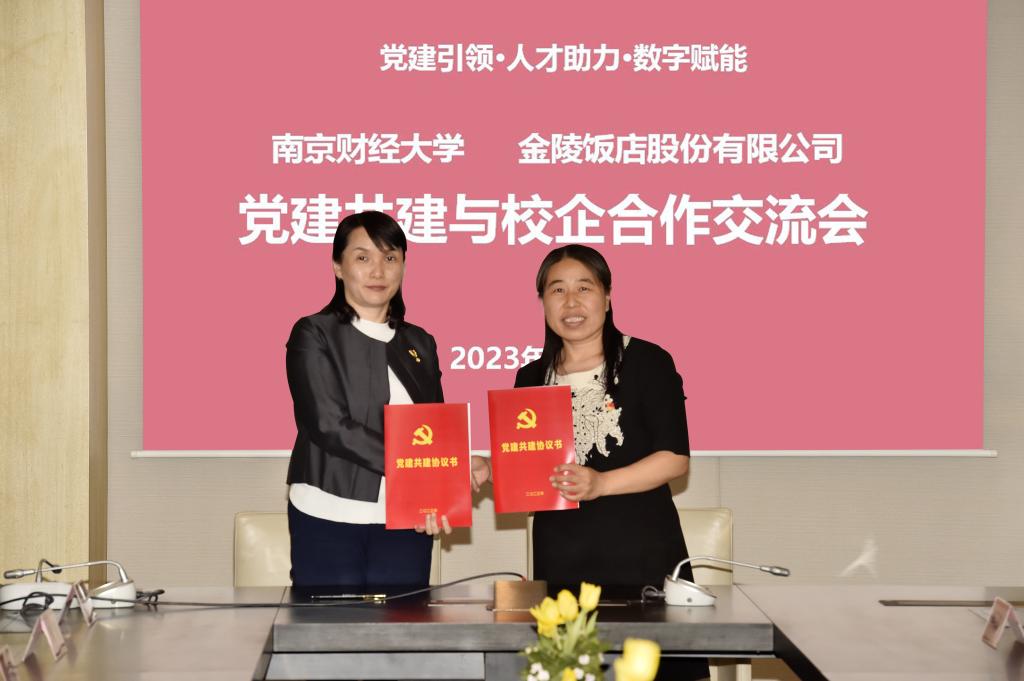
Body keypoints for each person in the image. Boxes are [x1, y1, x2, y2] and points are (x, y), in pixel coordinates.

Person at [515, 245, 707, 680]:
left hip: (640, 553)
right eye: (557, 290)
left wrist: (601, 484)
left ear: (607, 296)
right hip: (561, 557)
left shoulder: (647, 361)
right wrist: (491, 470)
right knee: (570, 668)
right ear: (542, 301)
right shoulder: (531, 377)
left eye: (584, 288)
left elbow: (674, 459)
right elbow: (528, 464)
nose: (571, 302)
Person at [285, 210, 488, 587]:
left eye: (390, 257)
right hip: (328, 512)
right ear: (338, 266)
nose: (378, 270)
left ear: (403, 266)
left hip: (406, 518)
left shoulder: (420, 342)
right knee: (326, 624)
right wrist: (431, 467)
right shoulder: (314, 332)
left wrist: (452, 472)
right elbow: (329, 426)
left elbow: (433, 429)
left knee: (405, 621)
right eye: (363, 257)